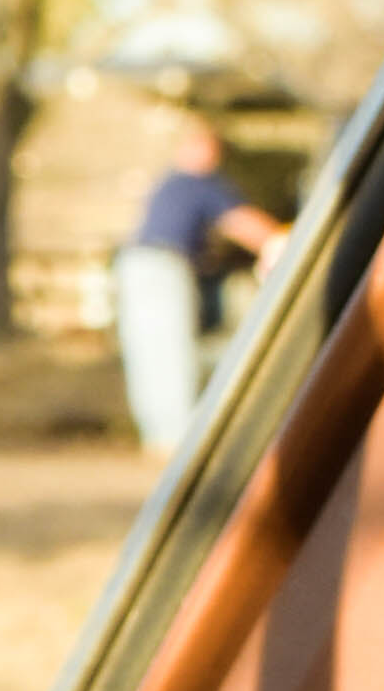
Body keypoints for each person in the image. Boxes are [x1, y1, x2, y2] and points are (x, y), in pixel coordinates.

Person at [113, 113, 285, 454]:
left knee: (152, 351)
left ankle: (161, 435)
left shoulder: (171, 182)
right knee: (169, 350)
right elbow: (244, 225)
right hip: (162, 267)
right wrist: (286, 241)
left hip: (137, 266)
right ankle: (176, 438)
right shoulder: (198, 183)